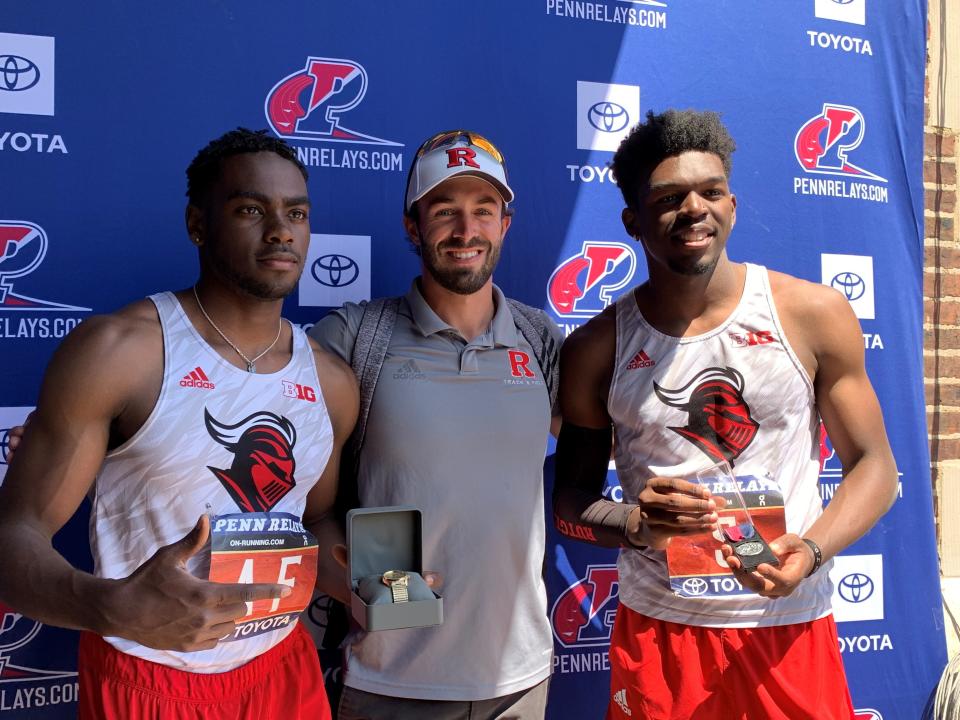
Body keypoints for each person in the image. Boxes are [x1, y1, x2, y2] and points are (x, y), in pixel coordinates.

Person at [0, 128, 358, 719]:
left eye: (296, 212)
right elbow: (14, 536)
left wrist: (369, 586)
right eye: (251, 209)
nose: (281, 229)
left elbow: (312, 518)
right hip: (149, 676)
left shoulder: (331, 380)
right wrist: (108, 606)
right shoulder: (121, 353)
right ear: (197, 224)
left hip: (282, 669)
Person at [553, 109, 898, 720]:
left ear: (732, 206)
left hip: (788, 627)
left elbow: (874, 467)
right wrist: (636, 523)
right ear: (632, 220)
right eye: (669, 197)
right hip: (663, 634)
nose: (694, 209)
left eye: (710, 192)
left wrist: (810, 552)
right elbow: (569, 503)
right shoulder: (595, 347)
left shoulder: (811, 314)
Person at [309, 130, 563, 720]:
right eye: (444, 211)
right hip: (393, 679)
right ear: (412, 225)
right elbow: (305, 508)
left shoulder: (539, 337)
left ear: (506, 222)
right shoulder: (352, 336)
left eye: (482, 211)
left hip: (521, 678)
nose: (465, 230)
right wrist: (357, 590)